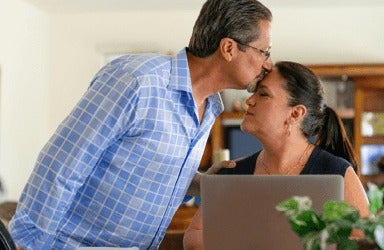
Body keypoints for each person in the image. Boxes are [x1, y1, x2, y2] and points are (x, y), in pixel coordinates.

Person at [9, 0, 272, 249]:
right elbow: (63, 160)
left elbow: (148, 174)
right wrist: (27, 242)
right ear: (228, 48)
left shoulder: (211, 106)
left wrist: (203, 183)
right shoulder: (138, 79)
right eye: (264, 52)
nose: (267, 63)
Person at [183, 61, 370, 250]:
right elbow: (193, 237)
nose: (249, 101)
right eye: (254, 93)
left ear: (295, 113)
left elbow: (364, 242)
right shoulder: (233, 173)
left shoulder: (337, 172)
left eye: (263, 94)